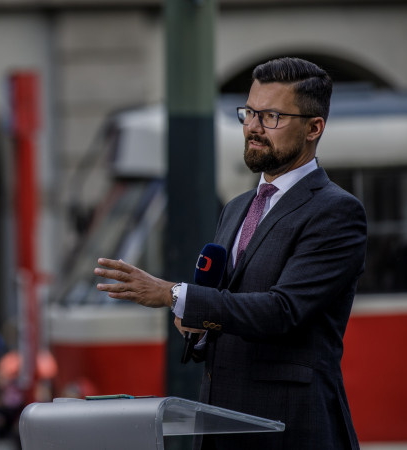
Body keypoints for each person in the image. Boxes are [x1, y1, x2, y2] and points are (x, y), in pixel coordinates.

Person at [95, 57, 366, 450]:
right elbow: (231, 309)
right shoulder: (237, 208)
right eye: (250, 113)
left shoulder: (335, 211)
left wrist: (174, 295)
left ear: (314, 128)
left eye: (271, 116)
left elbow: (282, 311)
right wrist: (199, 330)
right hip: (222, 426)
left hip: (290, 430)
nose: (253, 127)